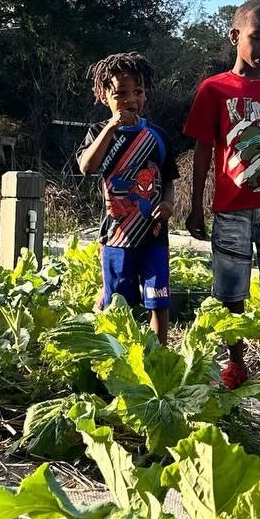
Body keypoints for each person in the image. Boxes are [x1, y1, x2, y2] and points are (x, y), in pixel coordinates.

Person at [183, 2, 260, 386]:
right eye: (258, 37)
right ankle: (236, 363)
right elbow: (203, 151)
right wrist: (196, 206)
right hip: (231, 209)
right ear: (235, 36)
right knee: (231, 290)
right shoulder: (214, 89)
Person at [76, 51, 174, 343]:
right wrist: (111, 127)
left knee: (159, 301)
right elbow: (87, 167)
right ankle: (115, 352)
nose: (131, 99)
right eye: (121, 94)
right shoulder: (99, 132)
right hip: (116, 237)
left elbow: (168, 179)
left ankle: (159, 355)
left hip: (154, 235)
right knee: (117, 305)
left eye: (138, 92)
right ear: (104, 96)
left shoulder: (157, 136)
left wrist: (168, 203)